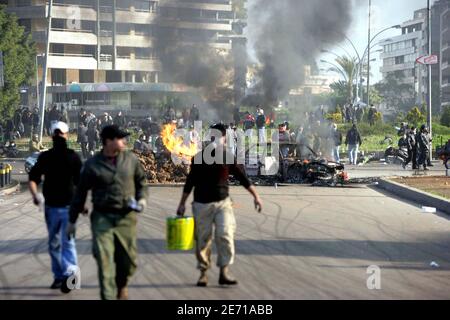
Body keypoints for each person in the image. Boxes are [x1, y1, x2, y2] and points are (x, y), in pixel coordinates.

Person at [176, 123, 262, 287]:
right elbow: (190, 182)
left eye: (219, 137)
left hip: (223, 203)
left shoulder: (228, 157)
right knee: (203, 240)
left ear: (224, 138)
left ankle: (224, 272)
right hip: (202, 204)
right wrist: (182, 204)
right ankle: (203, 273)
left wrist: (256, 196)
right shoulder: (199, 158)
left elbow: (242, 178)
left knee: (225, 235)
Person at [68, 125, 148, 300]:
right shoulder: (92, 164)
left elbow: (141, 182)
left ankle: (122, 285)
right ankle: (108, 296)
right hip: (102, 217)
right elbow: (80, 193)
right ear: (108, 141)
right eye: (120, 138)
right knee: (104, 260)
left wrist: (141, 199)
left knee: (128, 261)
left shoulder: (131, 160)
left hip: (126, 217)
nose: (124, 141)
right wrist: (72, 221)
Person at [28, 121, 82, 293]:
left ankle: (62, 277)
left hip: (54, 208)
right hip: (65, 208)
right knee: (68, 244)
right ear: (66, 135)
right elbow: (81, 184)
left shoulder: (46, 157)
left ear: (52, 136)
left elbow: (33, 179)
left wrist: (36, 196)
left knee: (55, 244)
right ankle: (66, 278)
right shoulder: (73, 156)